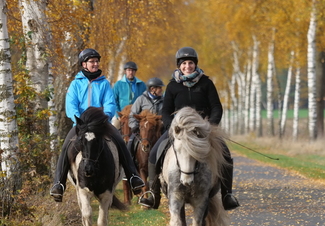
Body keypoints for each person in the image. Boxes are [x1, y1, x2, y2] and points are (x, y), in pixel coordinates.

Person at [138, 47, 240, 211]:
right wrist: (172, 126)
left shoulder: (206, 83)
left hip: (203, 130)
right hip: (178, 130)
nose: (187, 66)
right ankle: (152, 193)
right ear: (179, 66)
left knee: (226, 155)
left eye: (190, 63)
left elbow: (216, 107)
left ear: (195, 64)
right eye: (184, 63)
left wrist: (210, 125)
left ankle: (227, 195)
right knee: (154, 154)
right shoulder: (172, 86)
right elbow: (166, 110)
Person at [49, 48, 146, 202]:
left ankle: (134, 177)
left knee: (120, 142)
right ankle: (58, 184)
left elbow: (110, 103)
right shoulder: (75, 84)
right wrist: (79, 120)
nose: (95, 64)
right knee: (66, 145)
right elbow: (71, 105)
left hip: (101, 124)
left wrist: (105, 117)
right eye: (91, 61)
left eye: (96, 61)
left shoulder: (104, 83)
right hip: (81, 124)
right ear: (84, 64)